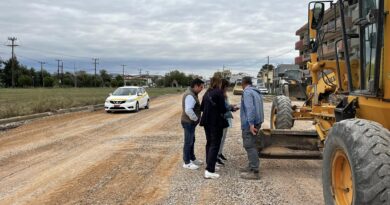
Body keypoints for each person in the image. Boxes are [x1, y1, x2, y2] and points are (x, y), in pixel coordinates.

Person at [200, 77, 229, 179]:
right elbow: (222, 109)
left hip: (206, 122)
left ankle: (209, 164)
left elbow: (202, 107)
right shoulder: (218, 92)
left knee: (209, 143)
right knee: (215, 144)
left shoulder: (207, 93)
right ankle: (209, 170)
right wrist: (230, 108)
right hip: (215, 122)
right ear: (219, 83)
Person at [239, 76, 264, 180]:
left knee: (249, 145)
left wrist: (251, 124)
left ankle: (255, 171)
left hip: (250, 124)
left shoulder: (247, 92)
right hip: (258, 121)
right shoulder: (256, 92)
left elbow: (250, 108)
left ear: (243, 83)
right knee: (252, 144)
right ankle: (251, 166)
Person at [181, 78, 205, 170]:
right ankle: (186, 162)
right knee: (188, 142)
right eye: (201, 87)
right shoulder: (190, 95)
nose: (202, 89)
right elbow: (188, 110)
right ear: (195, 86)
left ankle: (192, 158)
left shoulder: (193, 93)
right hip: (188, 122)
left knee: (192, 140)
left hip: (190, 123)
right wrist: (195, 119)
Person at [217, 79, 239, 165]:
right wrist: (232, 108)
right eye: (227, 86)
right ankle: (217, 155)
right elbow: (223, 107)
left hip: (226, 118)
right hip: (223, 118)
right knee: (220, 138)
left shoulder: (224, 94)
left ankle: (220, 153)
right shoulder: (220, 94)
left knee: (223, 138)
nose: (227, 88)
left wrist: (231, 106)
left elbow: (226, 105)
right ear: (224, 86)